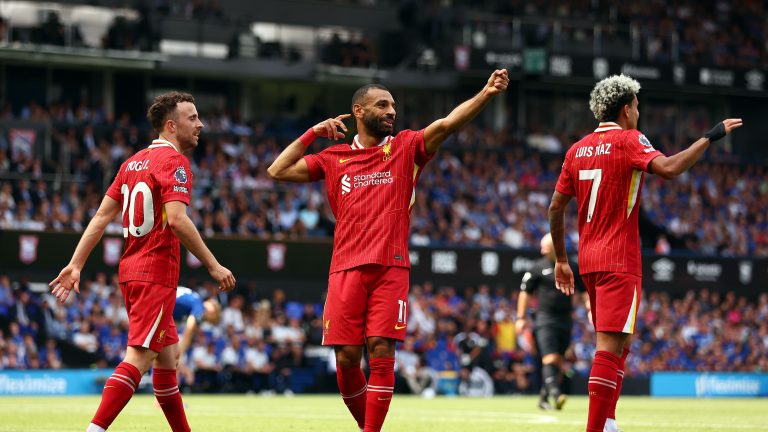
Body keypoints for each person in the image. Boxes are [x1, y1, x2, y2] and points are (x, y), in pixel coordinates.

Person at [268, 70, 509, 432]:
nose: (391, 111)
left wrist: (486, 93)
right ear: (358, 111)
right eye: (382, 104)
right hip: (345, 267)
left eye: (394, 105)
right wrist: (314, 133)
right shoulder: (333, 158)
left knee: (381, 349)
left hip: (390, 266)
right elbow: (277, 169)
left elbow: (446, 125)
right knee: (347, 358)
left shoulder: (406, 147)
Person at [548, 74, 742, 432]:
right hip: (619, 258)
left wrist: (562, 259)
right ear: (626, 108)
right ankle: (596, 428)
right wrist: (710, 137)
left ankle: (607, 422)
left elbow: (555, 208)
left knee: (621, 342)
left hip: (589, 260)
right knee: (608, 346)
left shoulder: (576, 149)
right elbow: (669, 168)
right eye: (637, 106)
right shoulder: (628, 139)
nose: (639, 112)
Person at [49, 91, 236, 432]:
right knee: (138, 356)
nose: (200, 124)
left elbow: (101, 216)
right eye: (192, 118)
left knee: (168, 360)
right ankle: (94, 429)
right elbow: (178, 220)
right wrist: (213, 264)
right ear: (170, 125)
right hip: (155, 273)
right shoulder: (175, 162)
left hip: (131, 270)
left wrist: (76, 264)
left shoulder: (131, 163)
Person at [516, 233, 583, 411]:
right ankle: (556, 394)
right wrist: (521, 317)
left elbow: (584, 292)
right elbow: (525, 293)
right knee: (550, 358)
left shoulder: (573, 267)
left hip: (566, 320)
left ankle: (543, 399)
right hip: (544, 320)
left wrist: (591, 309)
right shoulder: (537, 268)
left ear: (555, 246)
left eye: (544, 246)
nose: (541, 249)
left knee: (558, 362)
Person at [174, 286, 222, 355]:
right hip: (159, 302)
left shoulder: (196, 299)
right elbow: (188, 331)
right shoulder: (199, 306)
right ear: (212, 310)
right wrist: (179, 356)